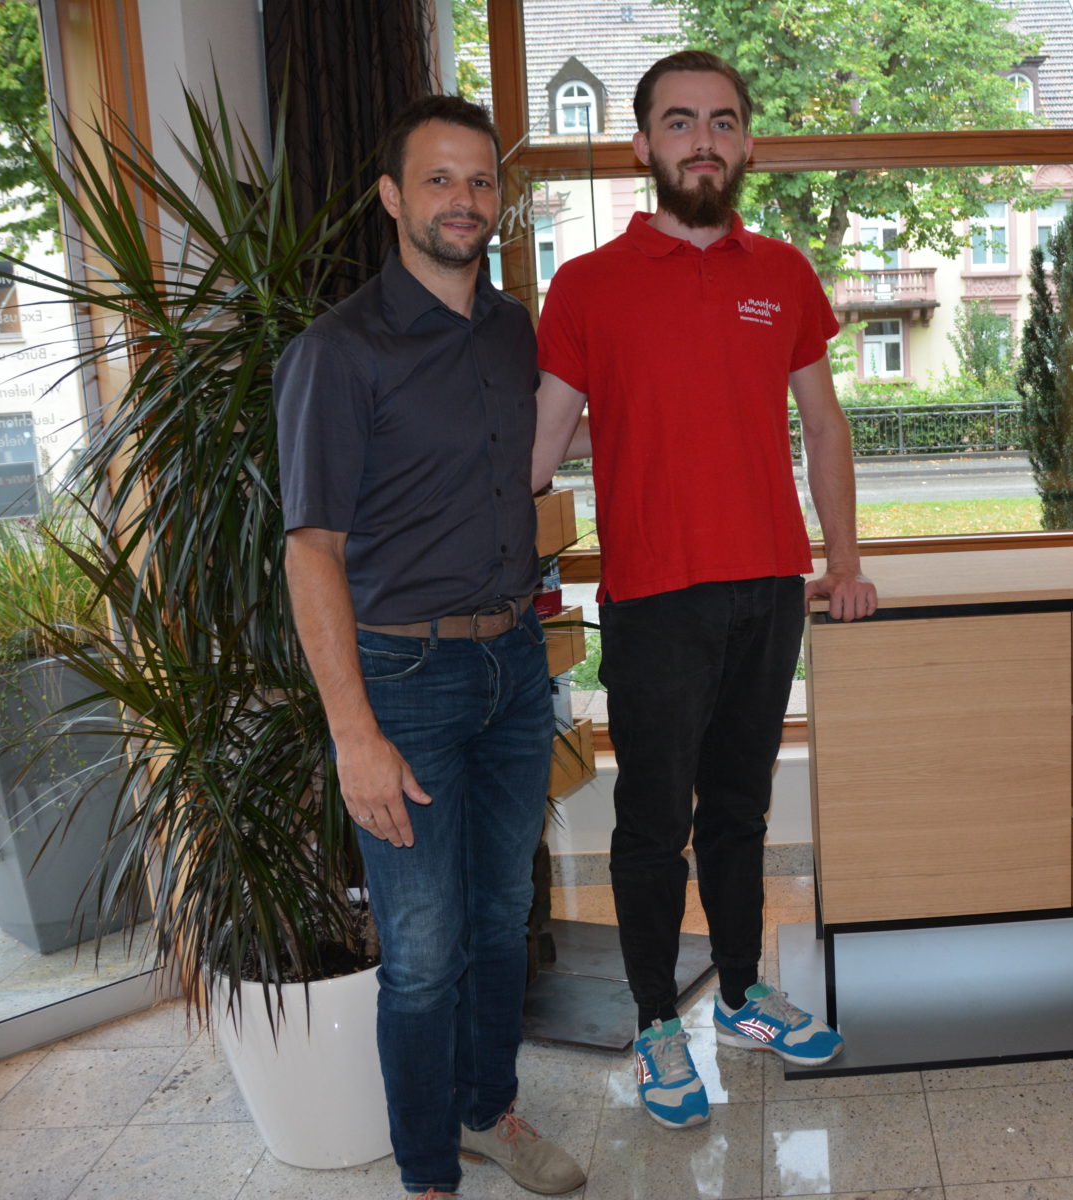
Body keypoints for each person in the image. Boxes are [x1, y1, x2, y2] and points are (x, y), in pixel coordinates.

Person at [530, 50, 878, 1130]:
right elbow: (540, 443)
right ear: (644, 144)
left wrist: (843, 562)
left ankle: (740, 997)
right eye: (680, 122)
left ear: (746, 143)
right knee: (652, 822)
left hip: (768, 587)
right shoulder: (585, 285)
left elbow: (824, 424)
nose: (704, 140)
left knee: (739, 810)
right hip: (655, 597)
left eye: (723, 121)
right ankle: (653, 1023)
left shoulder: (783, 272)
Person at [276, 94, 586, 1198]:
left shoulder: (509, 330)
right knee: (419, 950)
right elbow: (311, 551)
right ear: (392, 197)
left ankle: (486, 1110)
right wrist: (352, 735)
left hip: (512, 666)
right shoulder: (339, 350)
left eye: (481, 180)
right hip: (400, 680)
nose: (465, 199)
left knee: (502, 918)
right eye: (440, 179)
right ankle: (426, 1174)